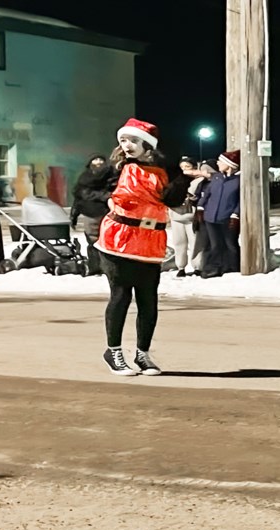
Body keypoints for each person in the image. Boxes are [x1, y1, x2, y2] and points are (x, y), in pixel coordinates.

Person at [95, 118, 189, 375]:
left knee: (148, 300)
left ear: (148, 145)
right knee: (121, 295)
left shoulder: (164, 169)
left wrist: (181, 180)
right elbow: (85, 192)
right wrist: (109, 198)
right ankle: (113, 351)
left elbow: (173, 200)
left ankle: (142, 354)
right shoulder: (114, 168)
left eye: (134, 140)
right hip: (119, 237)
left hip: (150, 240)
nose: (127, 145)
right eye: (124, 140)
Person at [69, 154, 115, 276]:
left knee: (108, 242)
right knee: (93, 242)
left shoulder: (112, 176)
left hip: (108, 214)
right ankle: (95, 267)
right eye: (95, 159)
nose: (98, 162)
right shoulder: (85, 178)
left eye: (101, 159)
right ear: (90, 163)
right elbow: (79, 198)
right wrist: (74, 215)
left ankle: (108, 267)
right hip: (90, 214)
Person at [197, 151, 241, 278]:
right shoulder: (217, 178)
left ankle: (232, 267)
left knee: (230, 244)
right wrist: (200, 207)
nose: (217, 163)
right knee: (215, 244)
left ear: (229, 165)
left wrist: (235, 214)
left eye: (220, 161)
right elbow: (207, 193)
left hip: (228, 218)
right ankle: (214, 268)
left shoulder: (238, 180)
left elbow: (241, 199)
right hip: (211, 217)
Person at [167, 156, 200, 277]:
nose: (185, 170)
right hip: (176, 216)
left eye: (188, 167)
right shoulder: (175, 181)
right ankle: (181, 267)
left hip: (192, 217)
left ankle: (197, 266)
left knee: (195, 242)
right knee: (179, 243)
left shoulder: (199, 181)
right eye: (182, 167)